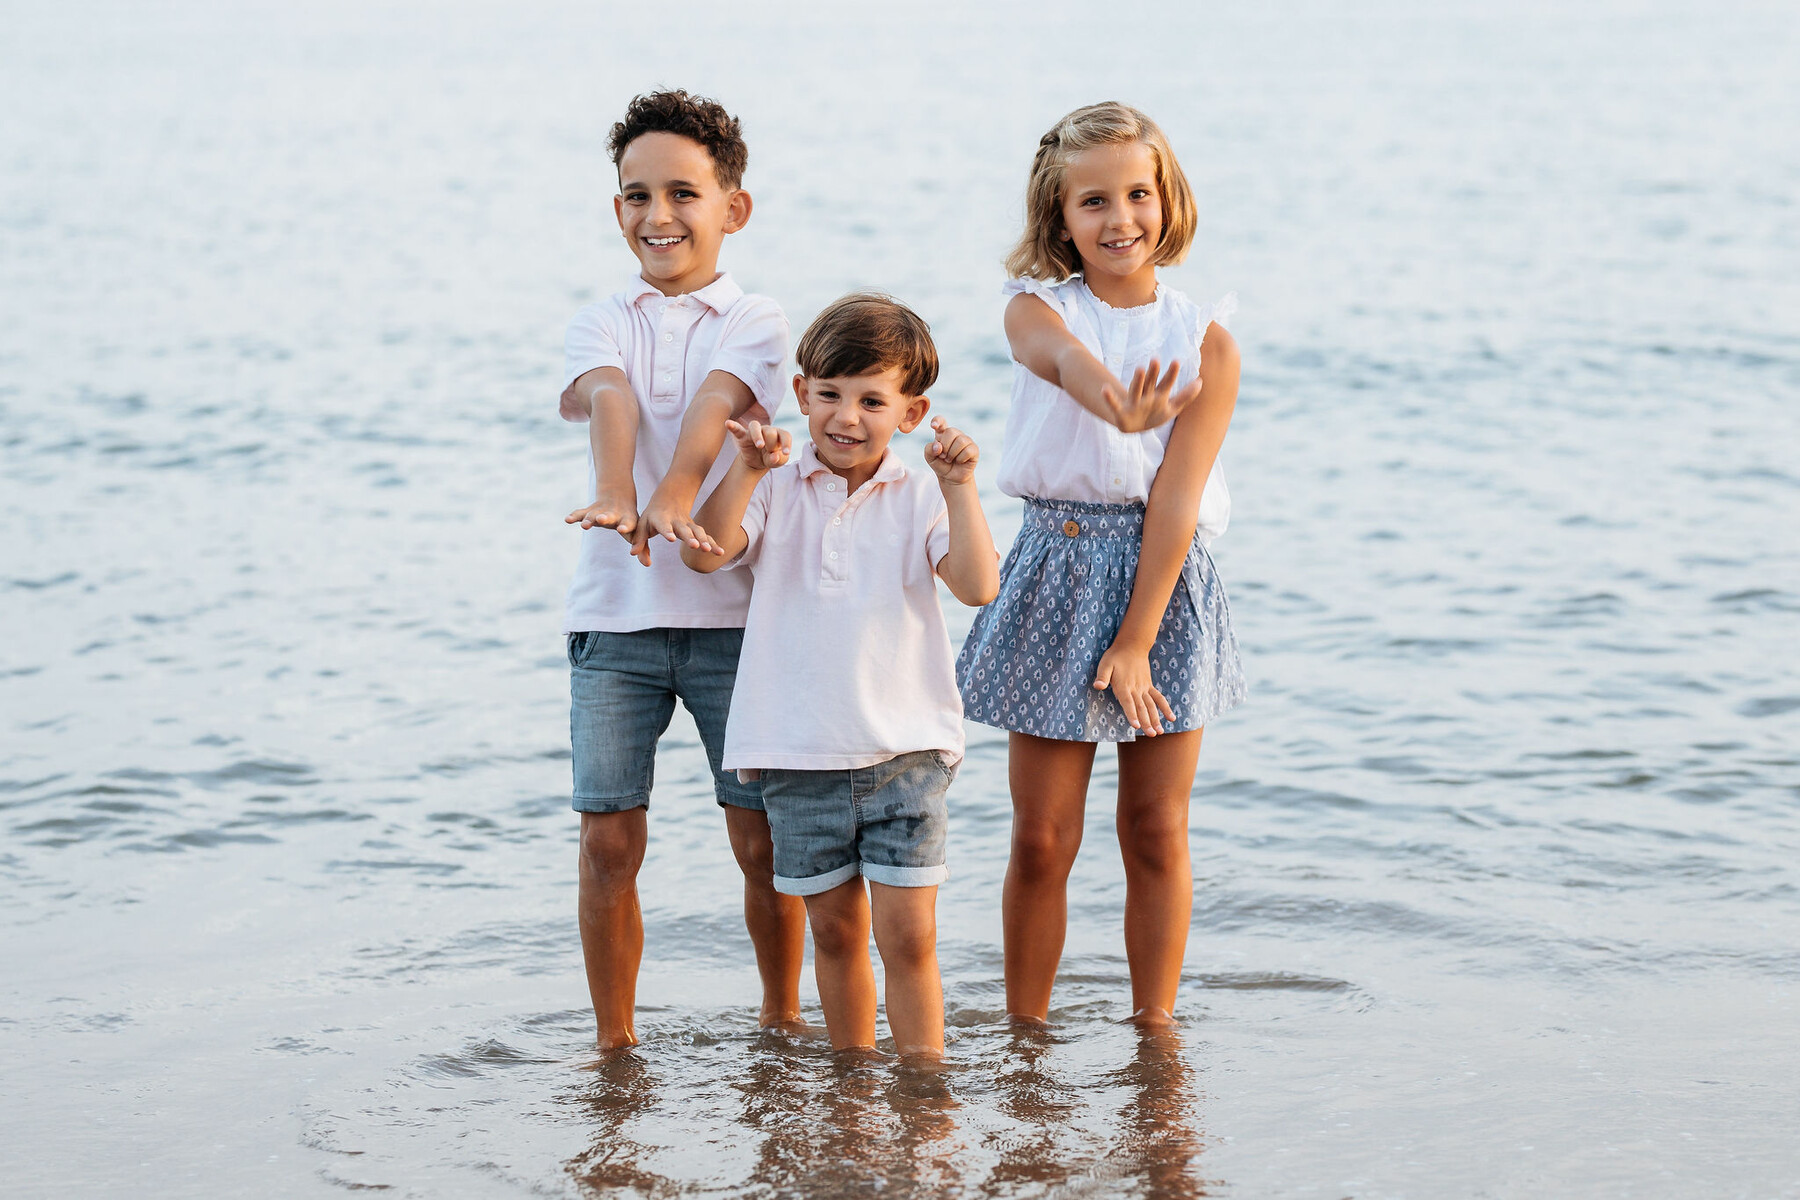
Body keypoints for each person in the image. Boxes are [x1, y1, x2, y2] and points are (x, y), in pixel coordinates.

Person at [956, 102, 1247, 1028]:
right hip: (1056, 566)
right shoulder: (1036, 311)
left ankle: (1154, 1034)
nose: (1121, 218)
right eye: (1094, 202)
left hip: (1165, 585)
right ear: (1060, 216)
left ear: (1168, 200)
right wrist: (1116, 404)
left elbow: (1177, 500)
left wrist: (1135, 639)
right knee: (1042, 838)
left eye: (1138, 193)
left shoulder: (1207, 341)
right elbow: (1061, 362)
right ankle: (1026, 1036)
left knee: (1155, 829)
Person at [682, 294, 1000, 1058]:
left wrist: (961, 487)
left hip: (906, 754)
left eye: (871, 400)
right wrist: (747, 466)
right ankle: (853, 1084)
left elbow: (977, 584)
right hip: (798, 760)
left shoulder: (922, 491)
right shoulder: (774, 484)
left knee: (909, 937)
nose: (846, 417)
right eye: (828, 395)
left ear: (911, 412)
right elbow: (704, 553)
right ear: (800, 396)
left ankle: (926, 1086)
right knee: (833, 933)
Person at [557, 89, 805, 1050]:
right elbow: (608, 396)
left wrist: (677, 498)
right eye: (635, 196)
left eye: (682, 194)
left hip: (734, 627)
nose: (658, 216)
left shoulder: (757, 318)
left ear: (732, 207)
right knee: (607, 839)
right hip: (613, 623)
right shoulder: (599, 318)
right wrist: (622, 494)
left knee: (761, 842)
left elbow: (715, 404)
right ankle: (615, 1046)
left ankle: (783, 1024)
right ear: (615, 209)